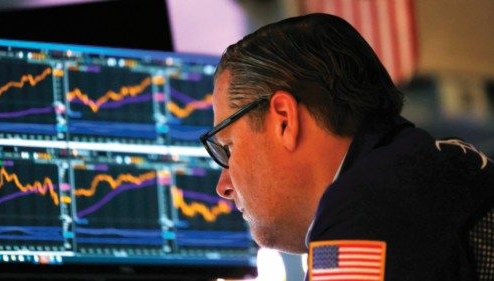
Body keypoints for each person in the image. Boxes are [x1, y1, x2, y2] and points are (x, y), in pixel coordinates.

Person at [200, 13, 494, 281]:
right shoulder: (420, 167)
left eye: (228, 147)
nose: (223, 186)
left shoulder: (364, 214)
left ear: (284, 120)